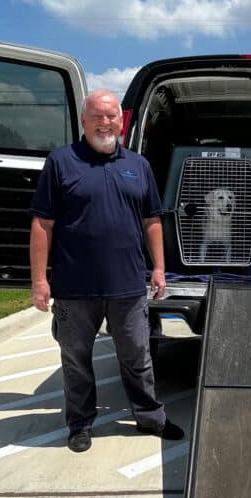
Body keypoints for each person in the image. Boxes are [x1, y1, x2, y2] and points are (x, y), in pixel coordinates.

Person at [29, 89, 184, 453]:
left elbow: (152, 222)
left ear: (121, 121)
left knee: (137, 357)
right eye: (97, 116)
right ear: (83, 120)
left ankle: (150, 417)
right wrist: (39, 280)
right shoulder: (61, 162)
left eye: (111, 116)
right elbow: (42, 224)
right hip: (74, 288)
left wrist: (159, 268)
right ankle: (80, 424)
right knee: (76, 362)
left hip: (128, 286)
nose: (105, 122)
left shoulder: (138, 165)